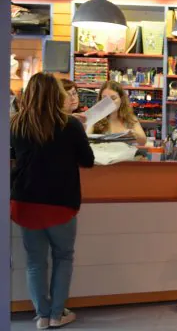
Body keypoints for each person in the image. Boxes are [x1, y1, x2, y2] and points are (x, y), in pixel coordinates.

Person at [10, 72, 95, 329]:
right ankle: (58, 314)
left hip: (25, 201)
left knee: (35, 261)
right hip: (61, 201)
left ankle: (42, 316)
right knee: (63, 257)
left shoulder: (15, 124)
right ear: (57, 95)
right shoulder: (70, 124)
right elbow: (88, 160)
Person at [87, 81, 147, 146]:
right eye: (105, 99)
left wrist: (135, 134)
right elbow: (84, 139)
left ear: (121, 99)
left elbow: (143, 142)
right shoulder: (95, 118)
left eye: (113, 98)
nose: (109, 102)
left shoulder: (130, 119)